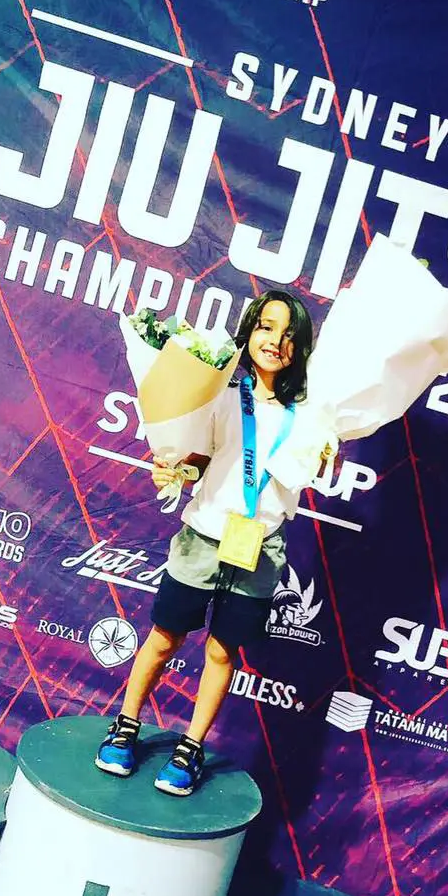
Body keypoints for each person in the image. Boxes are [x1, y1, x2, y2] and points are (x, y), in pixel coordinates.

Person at [95, 290, 314, 797]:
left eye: (288, 335)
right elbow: (201, 460)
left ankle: (188, 750)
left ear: (300, 349)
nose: (274, 341)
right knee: (165, 639)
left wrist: (324, 449)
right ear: (248, 330)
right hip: (201, 539)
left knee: (221, 654)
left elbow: (307, 469)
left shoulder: (309, 415)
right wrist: (175, 469)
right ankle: (125, 727)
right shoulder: (221, 393)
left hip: (260, 549)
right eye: (265, 327)